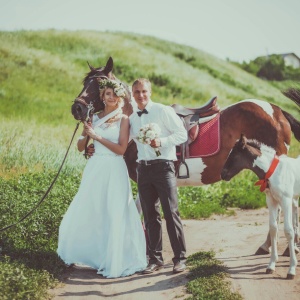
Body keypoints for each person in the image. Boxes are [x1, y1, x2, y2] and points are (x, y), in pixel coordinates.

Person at [57, 79, 147, 278]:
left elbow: (121, 150)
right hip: (95, 168)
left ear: (119, 97)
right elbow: (81, 147)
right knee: (93, 209)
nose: (111, 97)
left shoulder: (124, 119)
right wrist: (85, 133)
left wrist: (97, 138)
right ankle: (95, 255)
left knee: (114, 210)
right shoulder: (94, 118)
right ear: (102, 97)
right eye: (108, 94)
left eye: (114, 94)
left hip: (114, 168)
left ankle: (115, 257)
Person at [130, 78, 188, 274]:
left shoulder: (163, 111)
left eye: (144, 91)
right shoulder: (132, 118)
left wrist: (161, 141)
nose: (141, 95)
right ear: (132, 94)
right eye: (137, 92)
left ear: (150, 91)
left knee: (171, 213)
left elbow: (182, 134)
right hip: (143, 169)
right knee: (149, 215)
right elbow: (122, 140)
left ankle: (180, 258)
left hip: (164, 167)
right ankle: (154, 259)